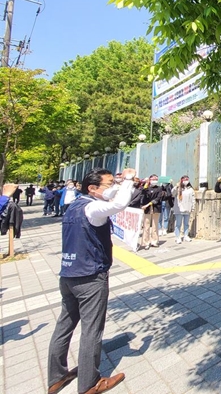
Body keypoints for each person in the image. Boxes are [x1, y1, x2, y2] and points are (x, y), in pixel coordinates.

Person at [47, 167, 135, 394]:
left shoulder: (73, 206)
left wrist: (118, 184)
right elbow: (118, 205)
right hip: (90, 276)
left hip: (68, 274)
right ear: (92, 188)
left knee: (64, 326)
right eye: (108, 184)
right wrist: (126, 181)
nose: (112, 188)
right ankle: (89, 383)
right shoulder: (92, 207)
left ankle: (56, 377)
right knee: (92, 331)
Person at [140, 175, 163, 250]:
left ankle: (154, 241)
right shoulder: (147, 188)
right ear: (149, 180)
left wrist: (148, 204)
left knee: (155, 226)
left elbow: (158, 198)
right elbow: (143, 194)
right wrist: (146, 184)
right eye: (153, 179)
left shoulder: (159, 188)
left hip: (155, 208)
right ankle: (145, 242)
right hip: (147, 209)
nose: (154, 180)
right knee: (146, 226)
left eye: (156, 179)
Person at [171, 175, 195, 245]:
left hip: (187, 209)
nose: (186, 181)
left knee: (186, 224)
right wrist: (176, 187)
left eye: (187, 179)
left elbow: (193, 199)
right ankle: (178, 237)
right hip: (179, 209)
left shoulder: (190, 189)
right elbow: (172, 194)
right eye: (184, 179)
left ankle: (186, 236)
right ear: (181, 180)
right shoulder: (178, 188)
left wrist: (192, 207)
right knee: (178, 224)